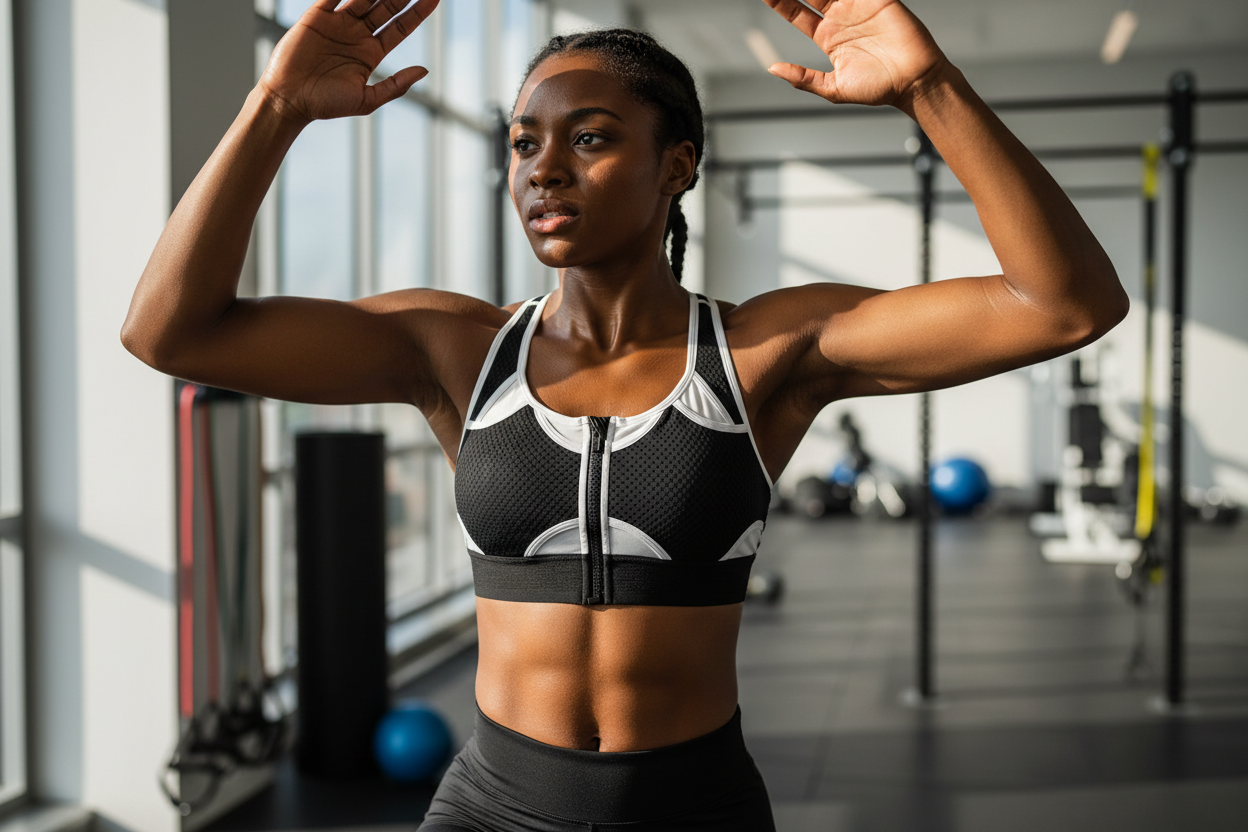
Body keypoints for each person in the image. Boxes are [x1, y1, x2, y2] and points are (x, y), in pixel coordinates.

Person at [123, 0, 1129, 828]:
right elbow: (170, 332)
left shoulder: (763, 351)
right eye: (524, 143)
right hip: (492, 809)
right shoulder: (456, 349)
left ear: (677, 165)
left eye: (591, 137)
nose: (543, 167)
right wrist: (274, 106)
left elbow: (1066, 304)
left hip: (696, 808)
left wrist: (928, 88)